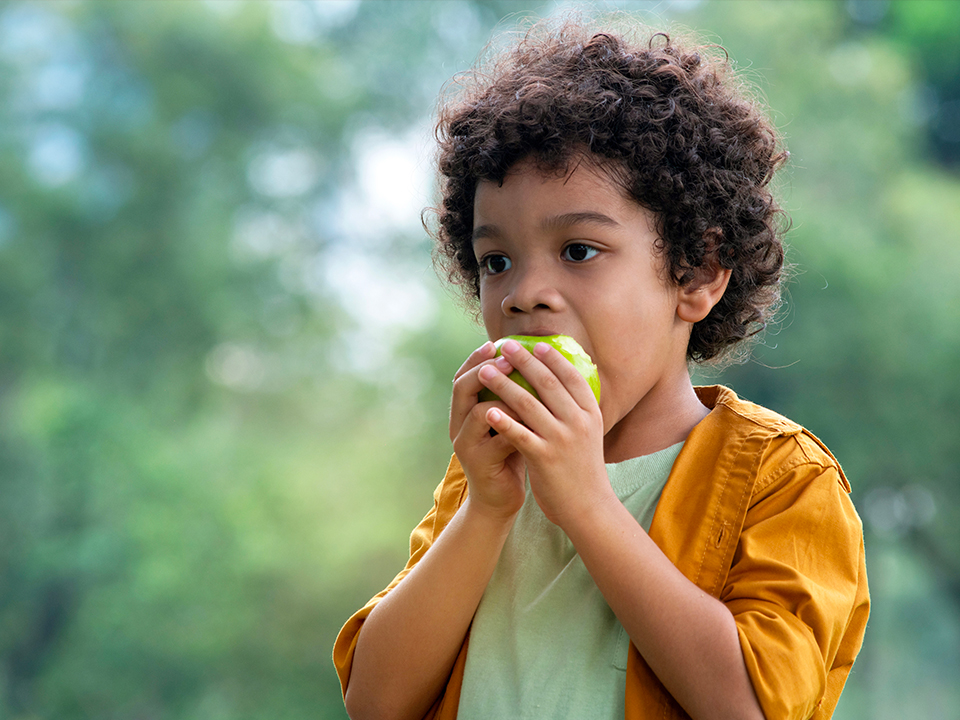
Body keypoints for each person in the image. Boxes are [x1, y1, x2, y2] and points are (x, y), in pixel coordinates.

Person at [333, 17, 869, 720]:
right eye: (497, 261)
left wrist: (586, 504)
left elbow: (754, 708)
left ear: (698, 273)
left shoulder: (783, 480)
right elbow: (376, 702)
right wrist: (488, 508)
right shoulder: (487, 474)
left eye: (579, 250)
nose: (524, 292)